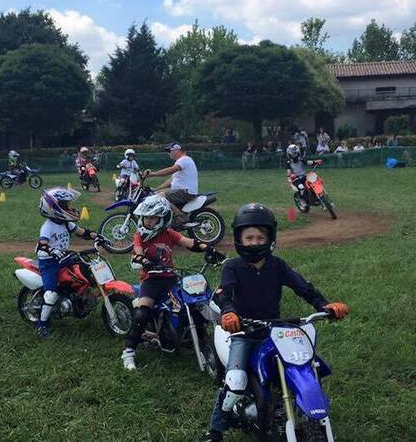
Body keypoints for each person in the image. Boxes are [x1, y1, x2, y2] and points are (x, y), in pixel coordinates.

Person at [202, 203, 349, 442]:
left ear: (271, 238)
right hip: (244, 332)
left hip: (275, 329)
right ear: (239, 238)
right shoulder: (233, 267)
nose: (254, 242)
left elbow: (303, 287)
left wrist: (324, 305)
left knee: (305, 362)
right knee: (236, 382)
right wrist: (229, 312)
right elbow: (223, 293)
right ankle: (216, 431)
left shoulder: (277, 265)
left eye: (261, 237)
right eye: (248, 237)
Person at [121, 195, 214, 370]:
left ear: (162, 219)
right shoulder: (139, 236)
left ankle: (201, 341)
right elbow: (137, 252)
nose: (148, 221)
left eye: (152, 218)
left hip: (171, 278)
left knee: (194, 306)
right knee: (142, 313)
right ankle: (129, 352)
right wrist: (144, 261)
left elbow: (189, 243)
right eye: (146, 217)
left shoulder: (169, 233)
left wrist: (207, 248)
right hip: (151, 280)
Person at [35, 187, 106, 338]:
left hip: (64, 257)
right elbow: (42, 244)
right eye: (65, 204)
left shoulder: (65, 223)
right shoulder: (48, 227)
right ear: (54, 207)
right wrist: (52, 250)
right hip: (49, 263)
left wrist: (97, 236)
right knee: (51, 294)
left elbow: (82, 232)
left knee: (86, 272)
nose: (69, 207)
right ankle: (42, 325)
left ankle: (81, 300)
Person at [142, 143, 199, 228]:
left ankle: (181, 218)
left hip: (185, 192)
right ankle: (167, 220)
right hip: (181, 191)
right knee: (156, 195)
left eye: (170, 151)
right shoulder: (182, 161)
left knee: (161, 197)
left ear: (177, 150)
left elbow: (170, 170)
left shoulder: (184, 159)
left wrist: (153, 174)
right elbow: (171, 181)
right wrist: (156, 189)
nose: (168, 153)